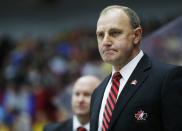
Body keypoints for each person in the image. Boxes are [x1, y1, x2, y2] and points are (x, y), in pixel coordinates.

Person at [90, 5, 182, 131]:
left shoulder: (167, 78)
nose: (105, 41)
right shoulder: (97, 92)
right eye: (100, 35)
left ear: (137, 35)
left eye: (115, 33)